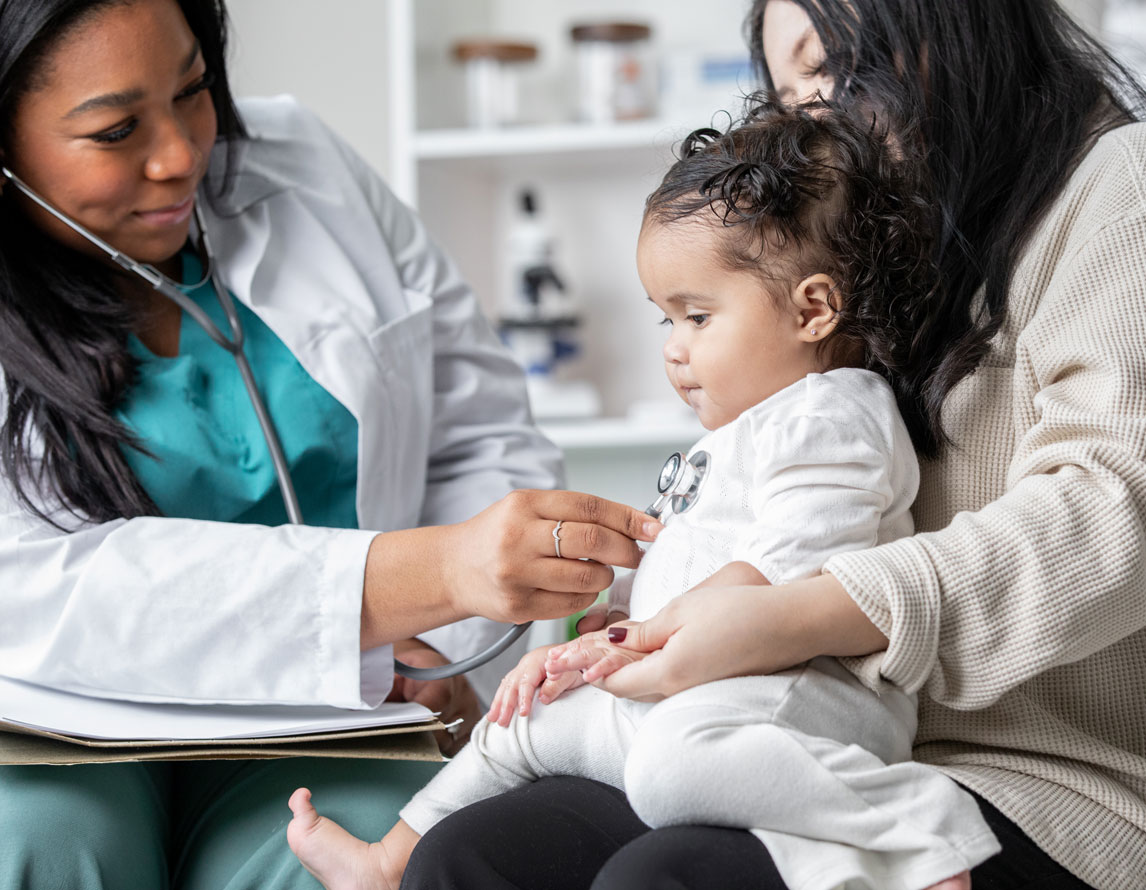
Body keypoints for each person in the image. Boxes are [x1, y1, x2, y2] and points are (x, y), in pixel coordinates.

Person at [401, 1, 1146, 889]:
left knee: (668, 878)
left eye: (828, 69)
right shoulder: (866, 237)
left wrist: (787, 615)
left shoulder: (1117, 187)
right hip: (789, 727)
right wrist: (652, 615)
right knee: (473, 856)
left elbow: (1114, 508)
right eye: (789, 97)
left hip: (1040, 773)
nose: (811, 122)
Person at [0, 1, 660, 887]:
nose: (179, 154)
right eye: (116, 130)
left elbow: (481, 432)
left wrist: (442, 638)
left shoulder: (305, 164)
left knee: (350, 853)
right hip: (62, 713)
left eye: (193, 88)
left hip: (340, 703)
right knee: (43, 846)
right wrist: (421, 578)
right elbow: (33, 583)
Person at [285, 101, 1003, 890]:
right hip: (681, 695)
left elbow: (785, 568)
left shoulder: (832, 413)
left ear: (814, 309)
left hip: (788, 698)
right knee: (521, 723)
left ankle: (919, 828)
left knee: (672, 766)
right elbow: (683, 564)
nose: (673, 350)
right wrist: (606, 614)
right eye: (664, 319)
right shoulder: (723, 440)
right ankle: (390, 862)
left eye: (697, 317)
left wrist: (635, 639)